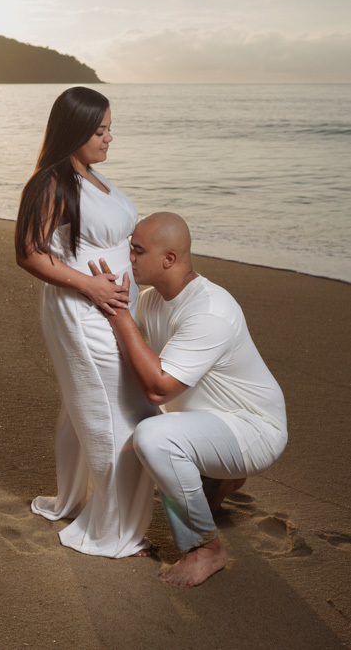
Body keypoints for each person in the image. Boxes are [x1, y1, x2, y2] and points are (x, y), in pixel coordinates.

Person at [89, 211, 287, 585]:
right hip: (211, 422)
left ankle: (206, 549)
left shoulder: (209, 310)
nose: (129, 257)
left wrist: (120, 318)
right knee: (146, 424)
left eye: (137, 251)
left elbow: (159, 387)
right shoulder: (151, 301)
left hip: (255, 428)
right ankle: (218, 481)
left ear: (169, 259)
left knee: (152, 438)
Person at [15, 87, 156, 558]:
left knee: (87, 403)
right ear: (74, 130)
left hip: (117, 308)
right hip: (82, 308)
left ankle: (75, 500)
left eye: (110, 128)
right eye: (99, 130)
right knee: (111, 409)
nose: (109, 138)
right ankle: (112, 527)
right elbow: (29, 254)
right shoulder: (51, 183)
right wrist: (91, 287)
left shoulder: (94, 178)